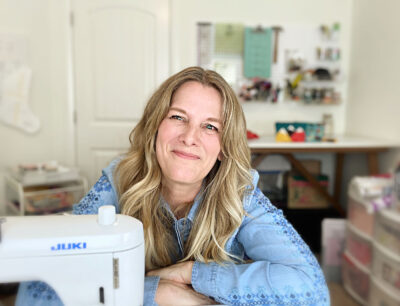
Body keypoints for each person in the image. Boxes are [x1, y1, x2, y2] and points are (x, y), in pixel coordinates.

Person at [16, 67, 330, 305]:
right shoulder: (118, 181)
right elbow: (37, 291)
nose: (190, 136)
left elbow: (311, 289)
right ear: (155, 126)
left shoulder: (241, 192)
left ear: (223, 146)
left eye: (210, 126)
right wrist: (157, 293)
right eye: (178, 117)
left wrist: (191, 274)